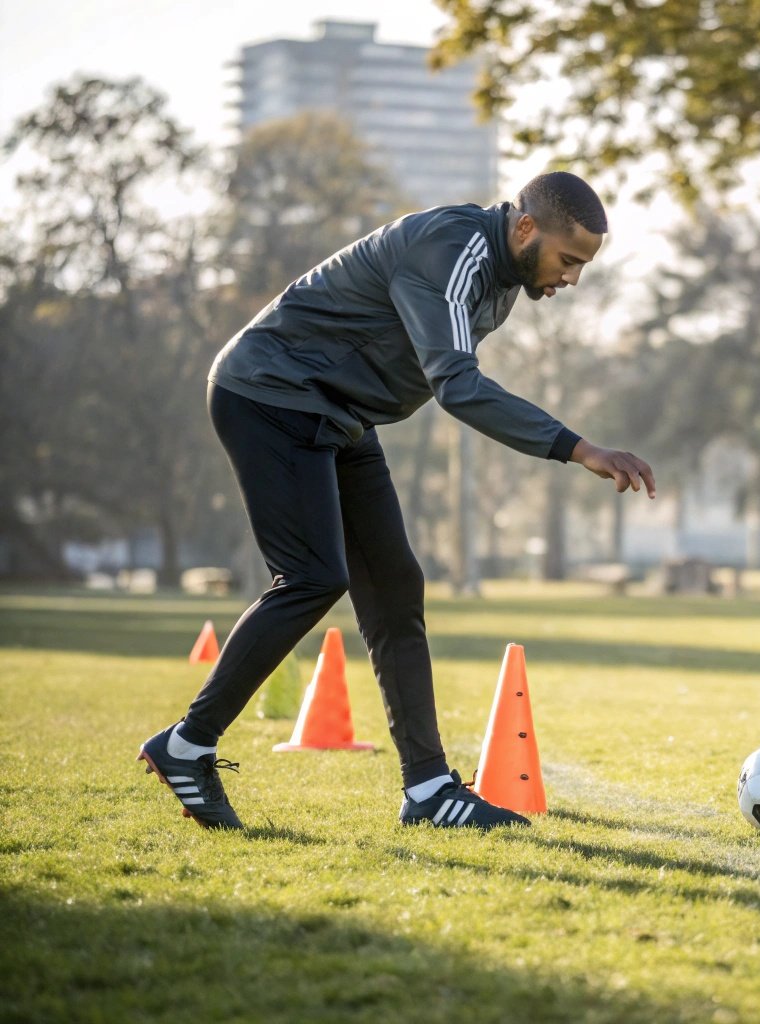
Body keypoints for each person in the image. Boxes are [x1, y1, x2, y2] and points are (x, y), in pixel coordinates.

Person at [138, 172, 656, 831]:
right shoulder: (451, 248)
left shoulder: (501, 274)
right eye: (568, 260)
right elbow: (457, 386)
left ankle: (429, 790)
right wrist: (580, 448)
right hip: (271, 394)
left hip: (339, 416)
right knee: (312, 577)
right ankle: (187, 745)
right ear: (525, 228)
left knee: (393, 588)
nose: (571, 279)